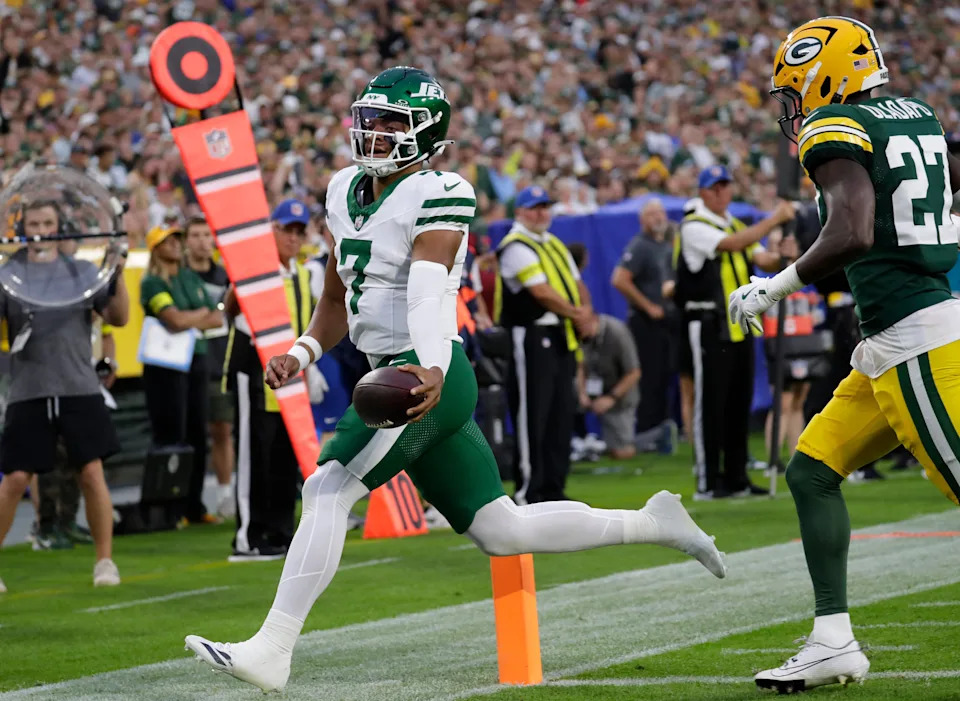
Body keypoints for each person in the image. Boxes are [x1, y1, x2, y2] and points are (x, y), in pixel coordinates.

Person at [184, 66, 726, 692]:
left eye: (392, 122)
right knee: (503, 530)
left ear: (427, 132)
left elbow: (426, 288)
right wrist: (302, 353)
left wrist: (431, 368)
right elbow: (338, 296)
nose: (375, 131)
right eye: (371, 118)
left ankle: (273, 649)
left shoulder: (440, 190)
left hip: (427, 370)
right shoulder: (343, 189)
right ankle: (656, 523)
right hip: (395, 369)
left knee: (328, 488)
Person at [729, 16, 960, 693]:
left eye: (794, 87)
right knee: (812, 470)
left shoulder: (836, 125)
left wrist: (772, 286)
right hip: (897, 338)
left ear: (824, 72)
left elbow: (852, 230)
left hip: (918, 342)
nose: (792, 105)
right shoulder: (914, 113)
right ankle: (832, 641)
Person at [0, 199, 129, 592]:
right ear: (22, 229)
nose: (41, 230)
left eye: (48, 223)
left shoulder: (82, 271)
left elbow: (119, 317)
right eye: (34, 223)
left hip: (78, 386)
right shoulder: (8, 274)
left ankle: (105, 562)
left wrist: (118, 269)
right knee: (15, 478)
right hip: (28, 389)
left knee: (92, 472)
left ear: (59, 229)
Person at [676, 165, 795, 500]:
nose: (721, 193)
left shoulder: (735, 223)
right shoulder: (695, 226)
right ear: (703, 192)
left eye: (725, 187)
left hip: (739, 324)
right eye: (714, 188)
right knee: (710, 403)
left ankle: (736, 476)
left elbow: (762, 258)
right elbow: (732, 244)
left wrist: (782, 257)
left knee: (738, 401)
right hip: (708, 322)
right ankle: (708, 480)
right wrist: (775, 218)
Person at [222, 198, 315, 561]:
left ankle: (280, 530)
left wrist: (310, 369)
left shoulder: (303, 274)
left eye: (298, 232)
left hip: (290, 373)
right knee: (254, 454)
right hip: (254, 369)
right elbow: (229, 309)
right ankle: (249, 535)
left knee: (283, 458)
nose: (293, 238)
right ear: (271, 231)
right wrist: (244, 275)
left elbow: (305, 322)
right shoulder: (255, 270)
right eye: (286, 230)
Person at [497, 185, 591, 503]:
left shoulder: (553, 243)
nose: (541, 214)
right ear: (519, 212)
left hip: (560, 334)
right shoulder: (516, 245)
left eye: (545, 207)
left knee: (560, 414)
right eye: (534, 208)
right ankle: (529, 490)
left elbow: (577, 283)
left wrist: (586, 312)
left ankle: (554, 488)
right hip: (532, 336)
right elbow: (541, 292)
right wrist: (578, 314)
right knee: (533, 414)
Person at [140, 225, 224, 526]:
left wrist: (189, 318)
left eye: (177, 239)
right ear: (155, 248)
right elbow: (174, 319)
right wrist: (198, 315)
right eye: (168, 241)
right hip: (164, 366)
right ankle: (168, 508)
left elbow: (217, 318)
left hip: (195, 360)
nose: (176, 244)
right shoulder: (152, 282)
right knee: (170, 434)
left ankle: (193, 506)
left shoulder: (189, 277)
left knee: (196, 434)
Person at [612, 197, 678, 453]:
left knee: (663, 378)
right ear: (642, 220)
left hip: (666, 321)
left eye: (661, 212)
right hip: (646, 322)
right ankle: (647, 434)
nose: (658, 218)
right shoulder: (640, 245)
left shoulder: (666, 244)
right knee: (650, 379)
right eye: (652, 214)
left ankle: (661, 433)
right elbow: (619, 279)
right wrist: (648, 306)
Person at [183, 216, 235, 519]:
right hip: (186, 363)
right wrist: (207, 318)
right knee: (191, 433)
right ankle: (189, 499)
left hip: (219, 361)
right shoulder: (179, 277)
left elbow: (224, 318)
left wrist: (196, 318)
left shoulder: (224, 275)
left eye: (207, 234)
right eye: (196, 235)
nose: (203, 241)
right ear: (187, 240)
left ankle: (225, 494)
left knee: (222, 429)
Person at [577, 311, 642, 459]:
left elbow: (634, 372)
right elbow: (580, 367)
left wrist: (611, 398)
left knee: (622, 451)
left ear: (592, 319)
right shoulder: (578, 335)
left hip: (618, 397)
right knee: (568, 387)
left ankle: (655, 436)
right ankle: (580, 439)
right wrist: (582, 393)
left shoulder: (617, 332)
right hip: (592, 392)